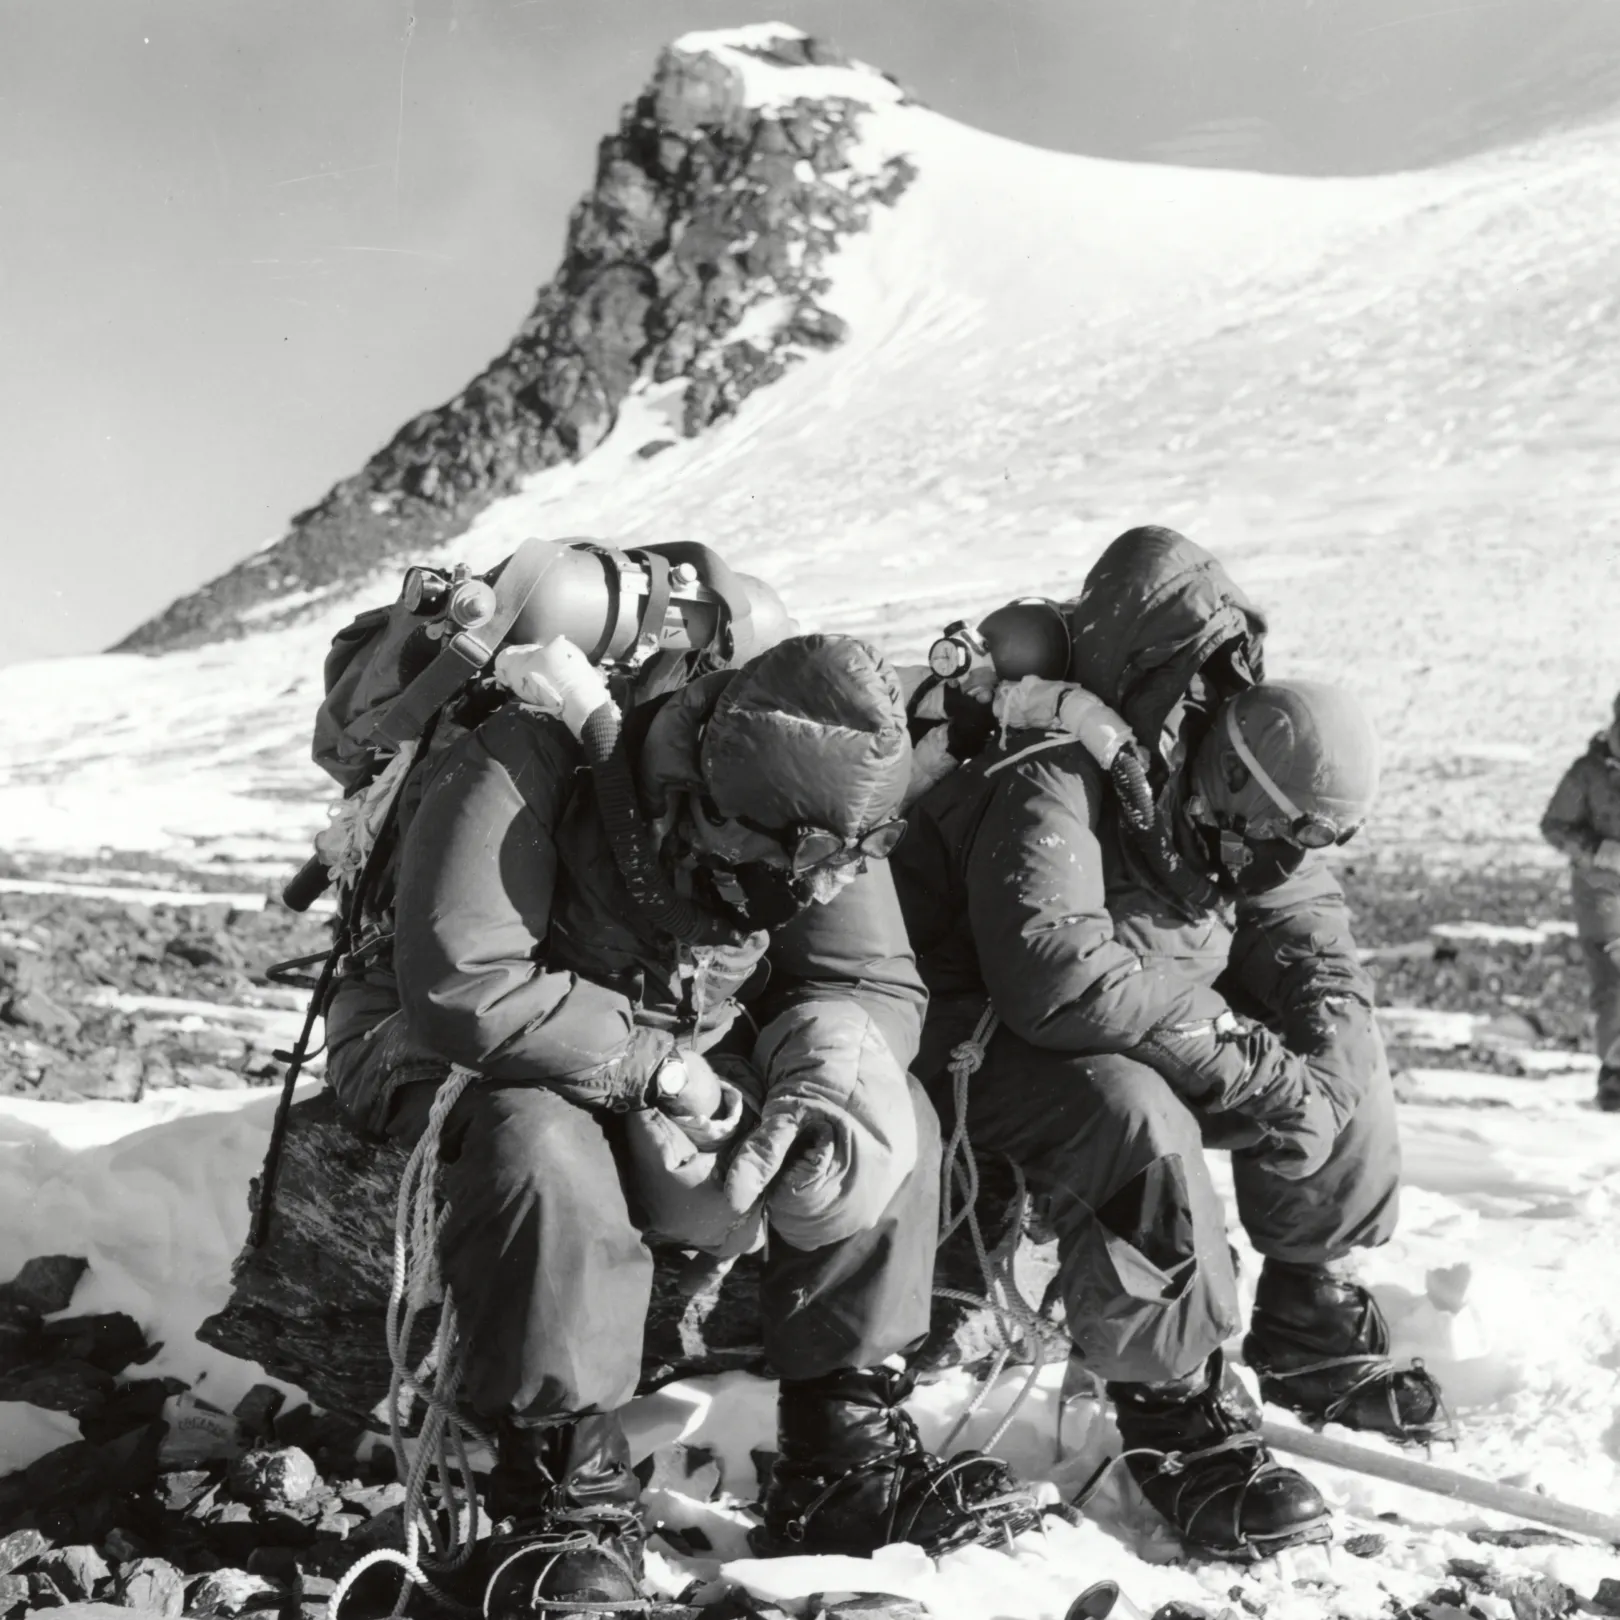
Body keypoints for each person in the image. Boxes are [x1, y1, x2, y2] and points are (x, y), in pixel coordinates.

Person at [344, 631, 1035, 1617]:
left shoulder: (823, 817)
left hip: (675, 1050)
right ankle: (555, 1486)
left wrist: (826, 1051)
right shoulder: (527, 759)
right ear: (712, 804)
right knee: (539, 1142)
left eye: (849, 860)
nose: (828, 885)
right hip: (448, 1045)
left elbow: (870, 979)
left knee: (878, 1105)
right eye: (808, 862)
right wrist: (661, 1070)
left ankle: (840, 1453)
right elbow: (468, 984)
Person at [891, 526, 1445, 1564]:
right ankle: (1175, 1415)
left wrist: (1316, 1046)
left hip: (1125, 1015)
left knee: (1344, 1053)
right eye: (1285, 838)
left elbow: (1308, 940)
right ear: (1236, 791)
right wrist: (1257, 1072)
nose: (1287, 861)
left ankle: (1307, 1309)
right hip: (971, 1028)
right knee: (1131, 1121)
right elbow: (1055, 980)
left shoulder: (1250, 798)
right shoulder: (1059, 765)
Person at [1540, 693, 1620, 1112]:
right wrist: (1597, 849)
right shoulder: (1588, 773)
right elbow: (1553, 826)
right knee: (1614, 983)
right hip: (1602, 893)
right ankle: (1615, 1076)